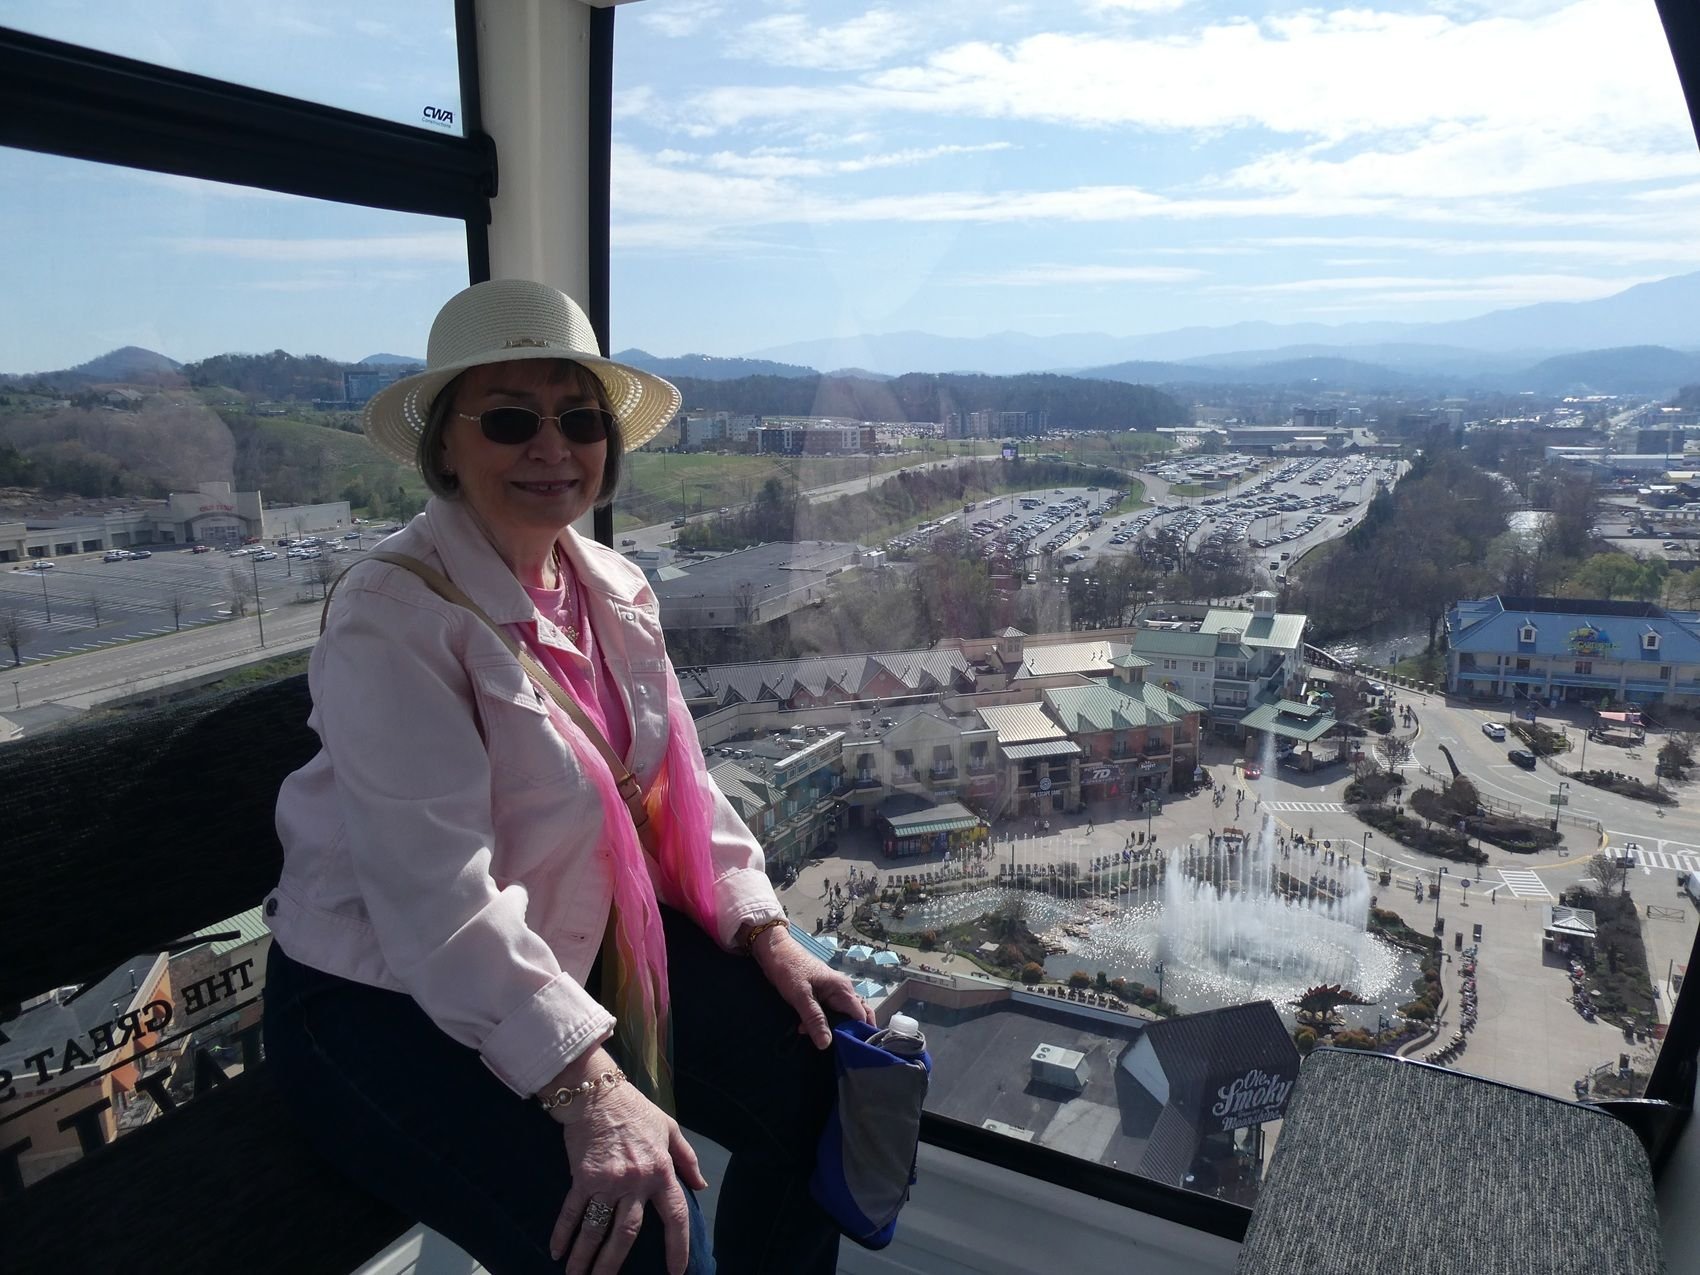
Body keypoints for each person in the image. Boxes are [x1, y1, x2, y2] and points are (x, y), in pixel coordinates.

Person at [262, 280, 870, 1275]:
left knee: (820, 1082)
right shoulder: (393, 615)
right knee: (647, 1240)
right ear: (444, 448)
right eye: (508, 419)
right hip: (375, 999)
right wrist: (590, 1089)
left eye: (578, 418)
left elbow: (678, 788)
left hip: (559, 936)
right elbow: (436, 898)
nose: (552, 447)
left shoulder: (608, 584)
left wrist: (765, 931)